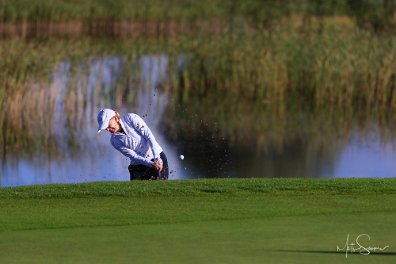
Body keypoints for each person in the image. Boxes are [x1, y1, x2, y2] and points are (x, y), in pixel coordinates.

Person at [97, 108, 169, 180]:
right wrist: (151, 164)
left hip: (157, 156)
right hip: (138, 166)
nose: (108, 129)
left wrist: (157, 158)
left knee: (159, 188)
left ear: (115, 118)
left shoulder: (130, 118)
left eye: (108, 125)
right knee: (135, 191)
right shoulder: (114, 141)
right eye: (105, 128)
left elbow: (149, 137)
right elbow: (134, 155)